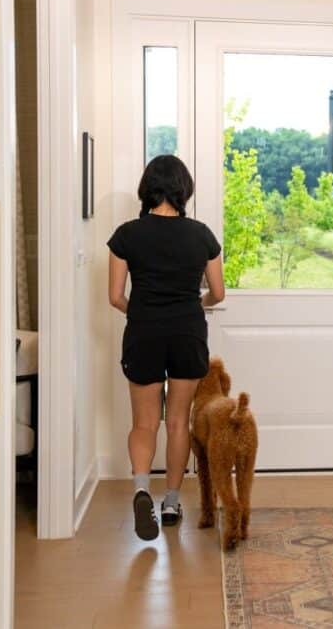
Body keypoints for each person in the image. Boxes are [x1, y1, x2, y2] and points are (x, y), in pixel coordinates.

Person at [107, 155, 225, 541]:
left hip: (143, 333)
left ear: (148, 188)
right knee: (178, 421)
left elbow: (114, 297)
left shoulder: (126, 234)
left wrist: (142, 311)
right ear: (183, 189)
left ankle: (142, 489)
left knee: (144, 423)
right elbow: (218, 293)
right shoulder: (202, 235)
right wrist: (194, 305)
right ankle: (171, 503)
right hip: (188, 333)